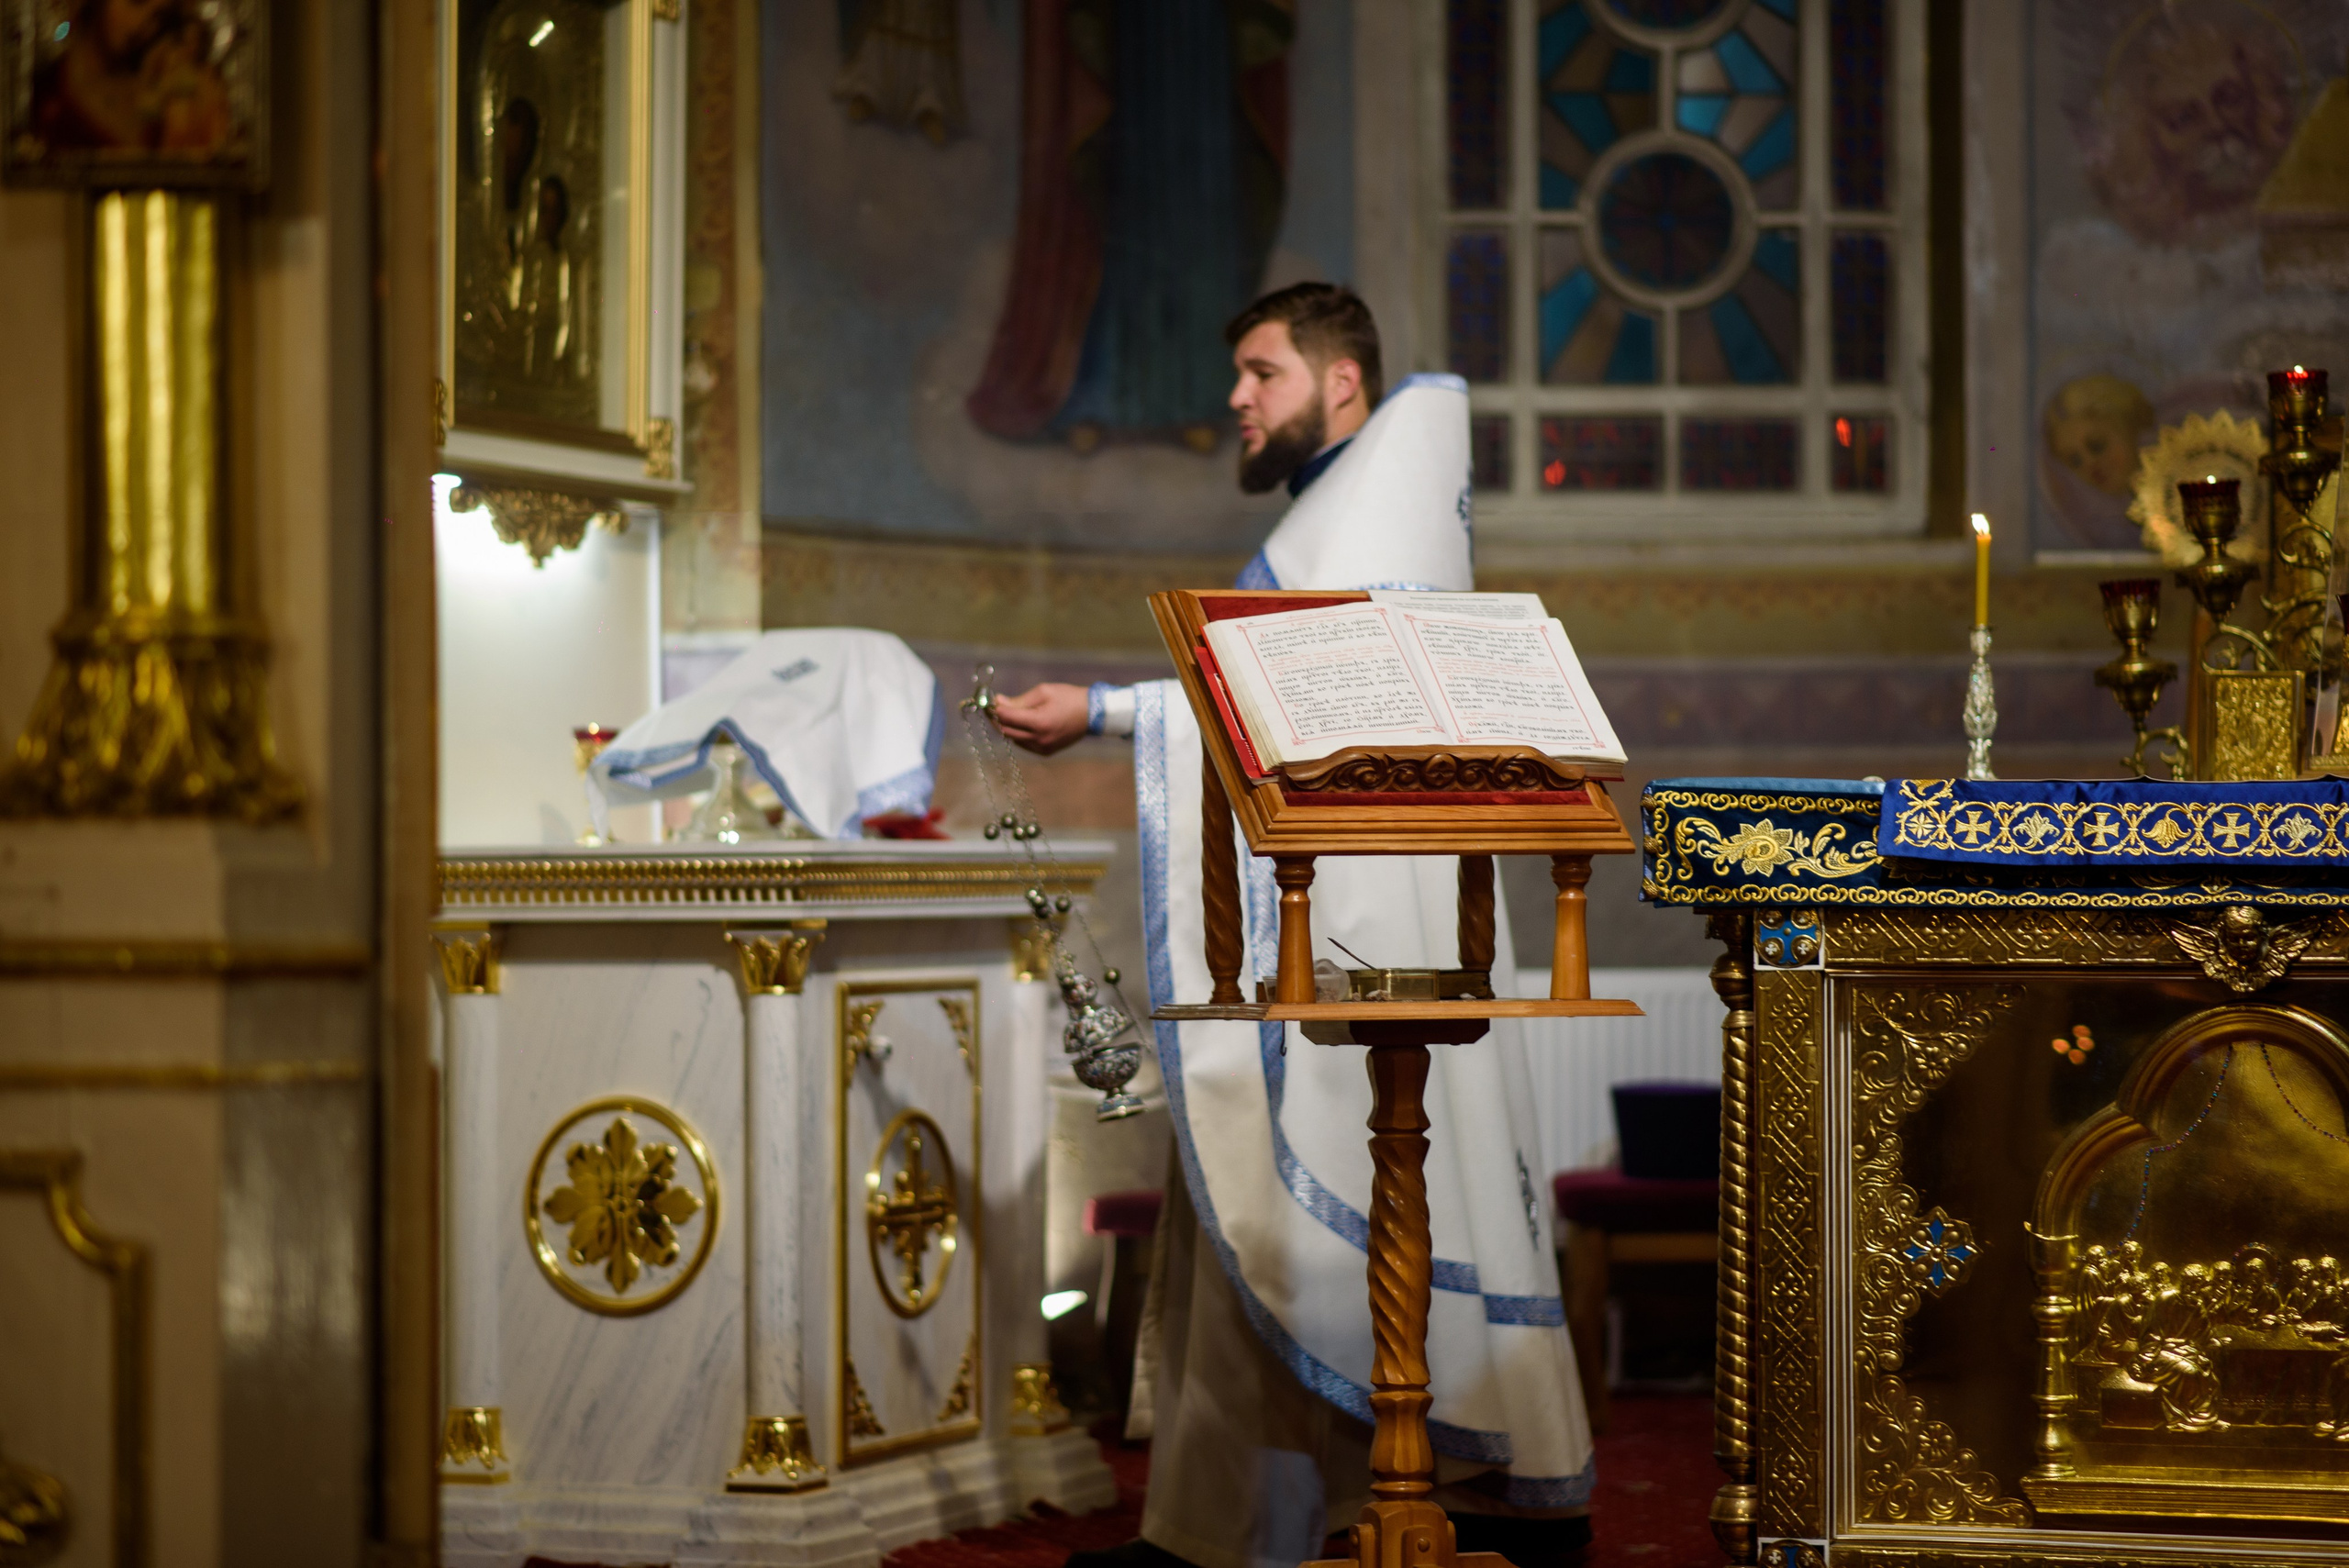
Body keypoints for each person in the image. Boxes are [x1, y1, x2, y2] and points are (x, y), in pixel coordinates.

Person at [995, 283, 1595, 1568]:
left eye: (1260, 371)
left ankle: (1320, 1515)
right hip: (1344, 908)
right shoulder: (1360, 507)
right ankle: (1240, 1525)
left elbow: (1302, 703)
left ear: (1341, 385)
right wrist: (1111, 709)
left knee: (1312, 1192)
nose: (1235, 398)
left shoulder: (1371, 512)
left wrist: (1102, 709)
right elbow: (1282, 696)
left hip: (1370, 922)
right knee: (1265, 1205)